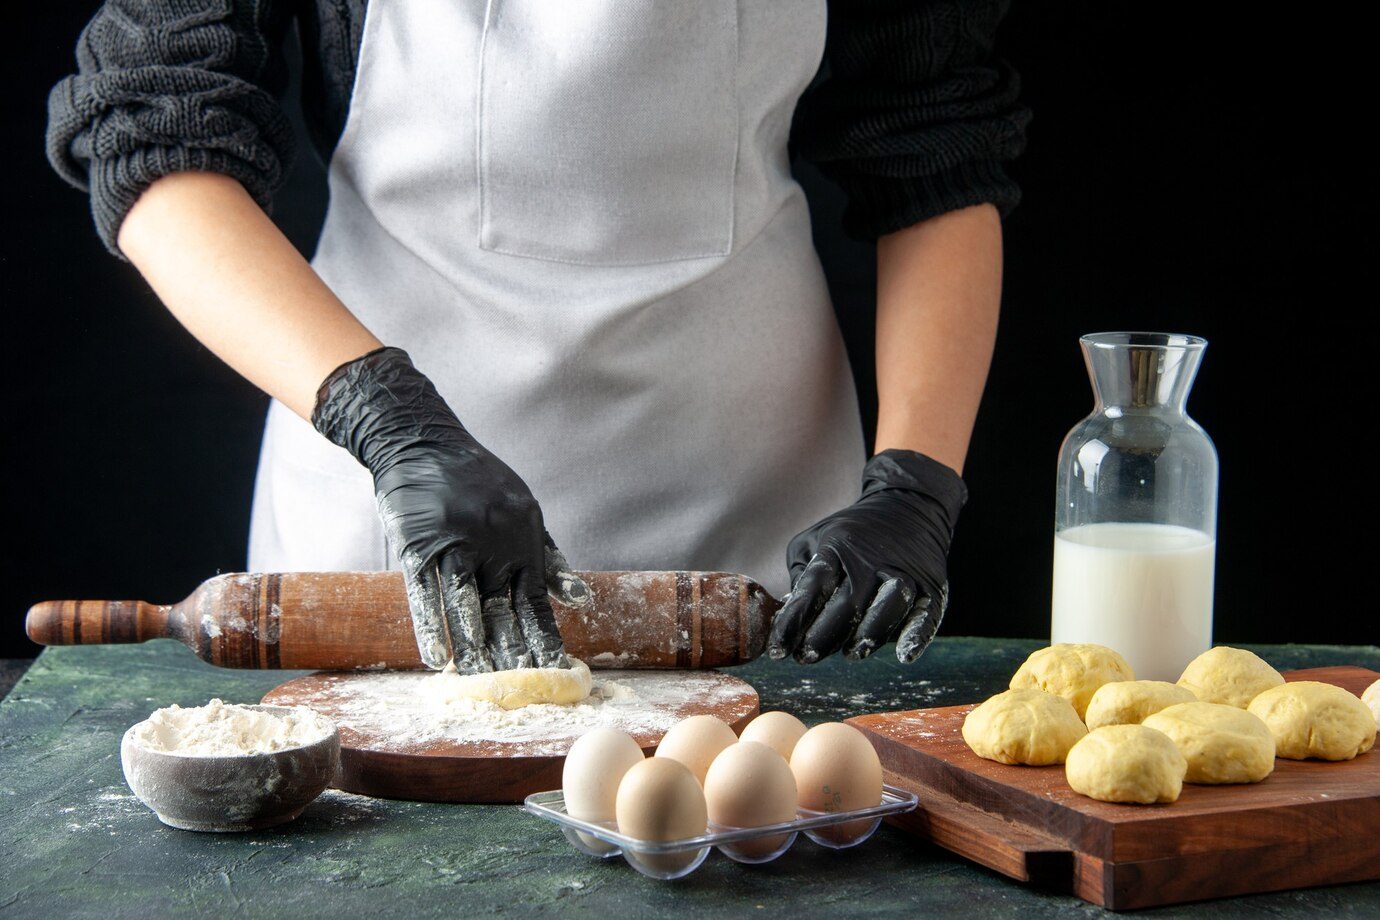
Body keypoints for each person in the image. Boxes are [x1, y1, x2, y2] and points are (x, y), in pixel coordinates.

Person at [47, 1, 1027, 672]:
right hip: (386, 542)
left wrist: (916, 483)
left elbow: (933, 145)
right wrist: (387, 422)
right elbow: (155, 141)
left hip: (757, 541)